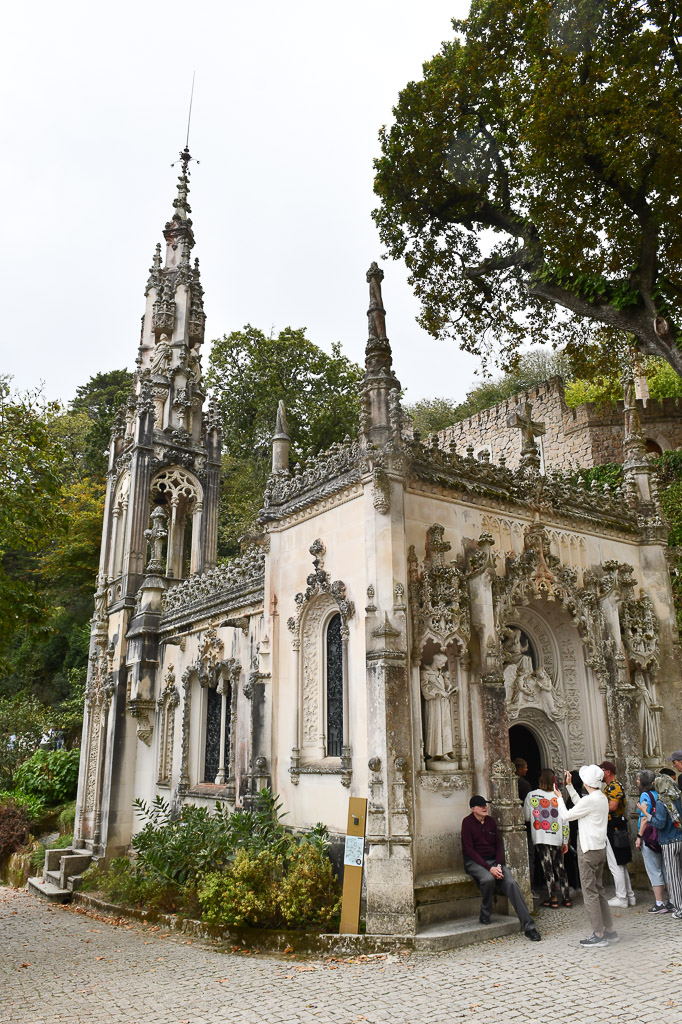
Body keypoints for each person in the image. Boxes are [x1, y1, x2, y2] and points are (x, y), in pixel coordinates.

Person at [553, 765, 619, 947]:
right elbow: (580, 805)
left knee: (590, 893)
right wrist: (568, 787)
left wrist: (559, 799)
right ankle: (610, 930)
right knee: (599, 891)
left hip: (588, 850)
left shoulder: (591, 800)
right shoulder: (600, 798)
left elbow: (566, 815)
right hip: (599, 849)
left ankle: (598, 934)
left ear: (587, 782)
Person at [461, 795, 541, 941]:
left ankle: (529, 927)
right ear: (473, 809)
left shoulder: (491, 822)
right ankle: (485, 912)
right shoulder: (467, 823)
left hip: (493, 862)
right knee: (487, 879)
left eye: (485, 805)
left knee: (511, 883)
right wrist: (488, 868)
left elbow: (498, 845)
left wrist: (497, 865)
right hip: (475, 862)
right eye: (481, 806)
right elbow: (469, 850)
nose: (485, 807)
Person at [524, 769, 571, 908]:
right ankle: (566, 897)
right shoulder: (558, 797)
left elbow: (526, 817)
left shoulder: (531, 795)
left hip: (541, 837)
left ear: (540, 780)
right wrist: (565, 839)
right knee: (560, 867)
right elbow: (565, 820)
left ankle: (553, 898)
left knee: (547, 868)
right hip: (556, 837)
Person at [640, 773, 682, 918]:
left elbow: (660, 823)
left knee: (673, 876)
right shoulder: (677, 798)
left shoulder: (661, 802)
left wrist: (646, 813)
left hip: (668, 842)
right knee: (679, 875)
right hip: (680, 839)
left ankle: (679, 909)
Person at [599, 760, 636, 908]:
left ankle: (622, 897)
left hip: (613, 827)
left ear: (607, 772)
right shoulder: (613, 786)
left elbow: (613, 806)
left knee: (616, 864)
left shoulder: (614, 786)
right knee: (620, 862)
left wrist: (597, 806)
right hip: (616, 826)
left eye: (601, 771)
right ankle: (629, 895)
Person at [635, 769, 670, 914]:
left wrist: (639, 836)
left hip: (649, 835)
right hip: (661, 834)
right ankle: (673, 900)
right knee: (665, 869)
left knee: (653, 869)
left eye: (638, 780)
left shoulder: (645, 795)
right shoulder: (658, 794)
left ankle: (659, 903)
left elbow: (645, 816)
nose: (636, 782)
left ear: (643, 782)